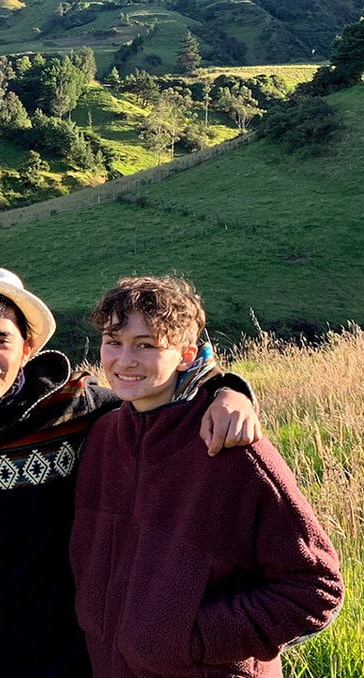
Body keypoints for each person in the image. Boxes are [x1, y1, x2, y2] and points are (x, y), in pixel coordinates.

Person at [0, 265, 262, 678]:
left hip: (73, 651)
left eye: (0, 339)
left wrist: (228, 390)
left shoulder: (77, 407)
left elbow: (160, 394)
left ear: (27, 347)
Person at [70, 276, 344, 677]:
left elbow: (315, 589)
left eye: (146, 345)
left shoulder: (232, 445)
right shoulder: (102, 436)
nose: (124, 360)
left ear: (186, 355)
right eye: (113, 341)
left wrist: (193, 639)